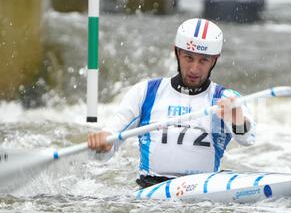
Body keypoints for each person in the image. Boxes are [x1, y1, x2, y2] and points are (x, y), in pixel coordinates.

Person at [88, 18, 256, 188]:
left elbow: (247, 139)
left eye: (203, 60)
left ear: (215, 60)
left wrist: (238, 121)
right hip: (152, 191)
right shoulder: (146, 92)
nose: (194, 69)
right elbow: (105, 150)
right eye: (188, 58)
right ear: (176, 52)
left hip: (203, 195)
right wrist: (102, 143)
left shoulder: (225, 98)